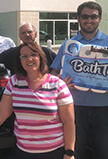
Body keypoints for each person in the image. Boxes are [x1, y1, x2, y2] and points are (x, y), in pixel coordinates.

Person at [0, 42, 75, 159]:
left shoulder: (57, 85)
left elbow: (69, 122)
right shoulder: (14, 82)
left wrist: (69, 153)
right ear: (20, 60)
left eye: (33, 54)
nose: (29, 59)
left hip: (54, 152)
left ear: (41, 57)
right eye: (24, 56)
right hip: (23, 152)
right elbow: (2, 111)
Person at [50, 2, 108, 159]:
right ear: (78, 18)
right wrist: (61, 83)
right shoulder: (68, 45)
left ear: (100, 18)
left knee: (103, 152)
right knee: (75, 152)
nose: (89, 20)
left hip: (104, 109)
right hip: (74, 108)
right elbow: (53, 75)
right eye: (85, 16)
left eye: (93, 16)